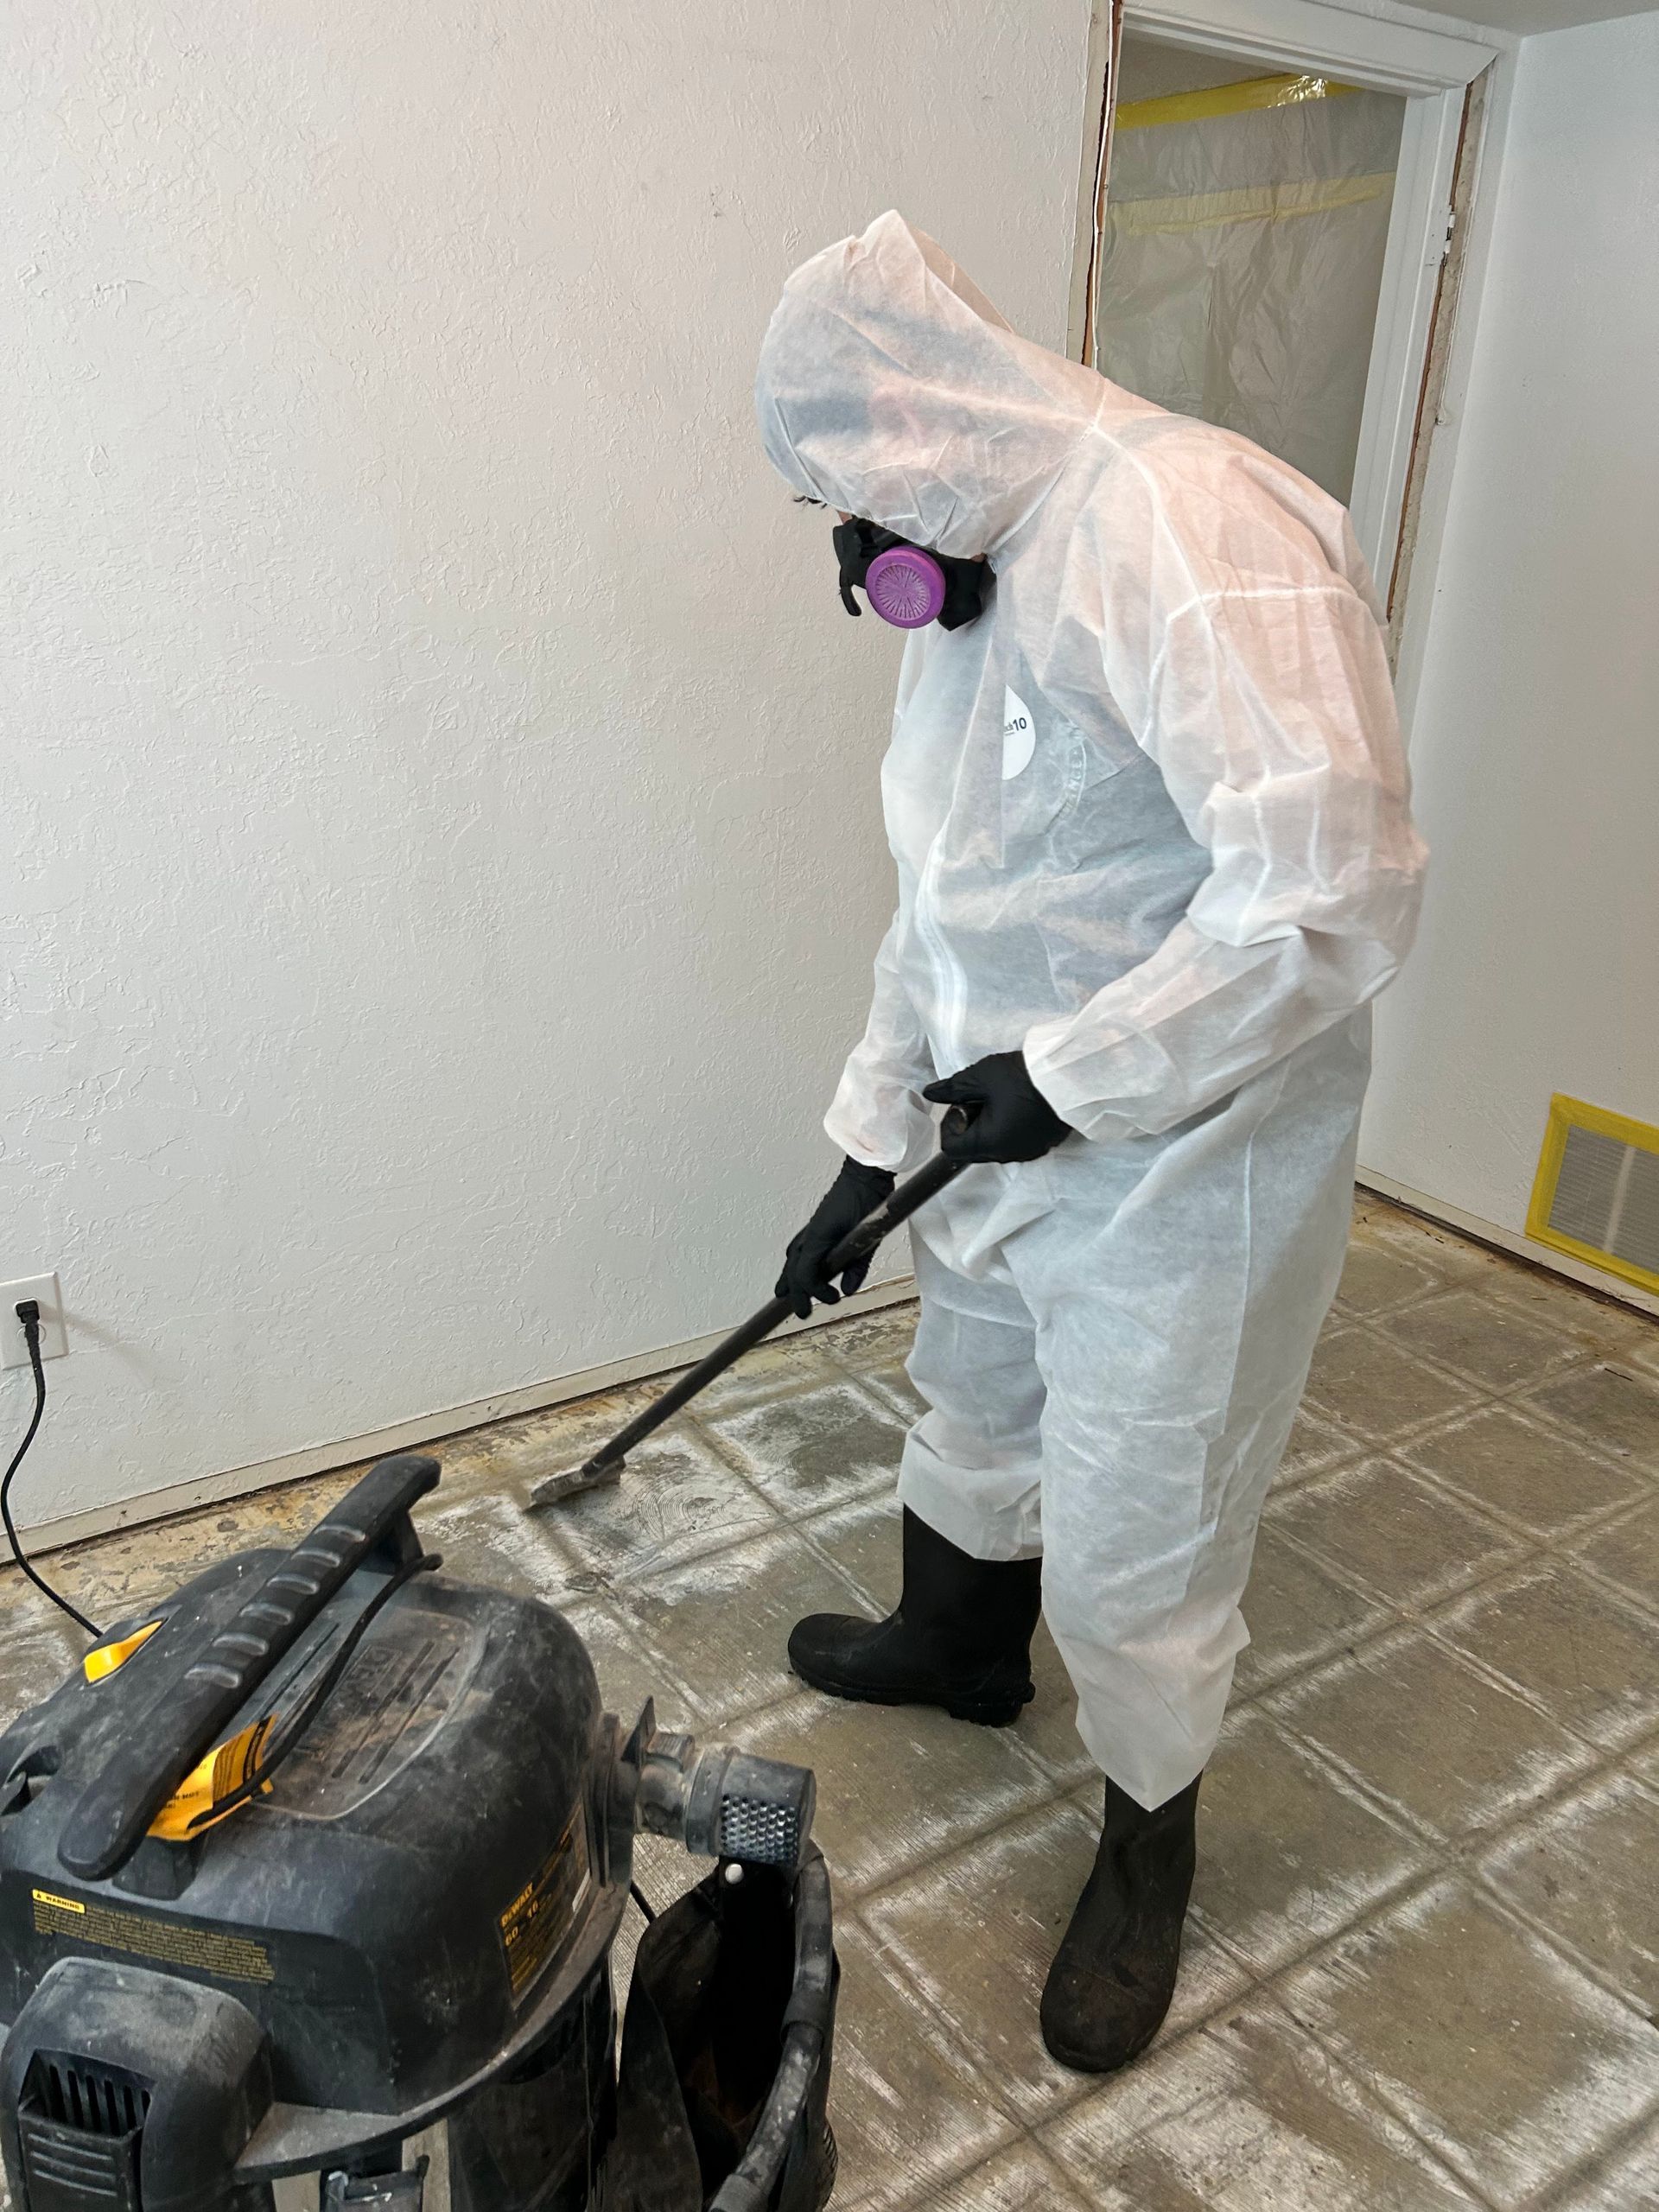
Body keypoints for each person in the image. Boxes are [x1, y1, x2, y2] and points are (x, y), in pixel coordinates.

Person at [753, 212, 1427, 2075]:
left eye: (855, 506)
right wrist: (864, 1150)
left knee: (1141, 1516)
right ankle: (960, 1646)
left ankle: (1149, 1839)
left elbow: (1331, 889)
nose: (867, 563)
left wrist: (1077, 1075)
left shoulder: (1188, 531)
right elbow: (950, 904)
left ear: (920, 436)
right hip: (1004, 1133)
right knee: (971, 1400)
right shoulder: (981, 572)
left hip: (1185, 1161)